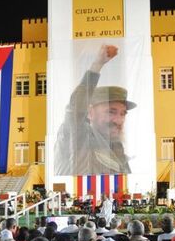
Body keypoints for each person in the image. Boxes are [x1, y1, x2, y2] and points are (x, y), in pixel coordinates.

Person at [54, 44, 135, 176]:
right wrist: (97, 65)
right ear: (90, 112)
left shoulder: (116, 147)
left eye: (123, 113)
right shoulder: (78, 135)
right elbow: (76, 109)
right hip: (78, 195)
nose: (119, 120)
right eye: (111, 112)